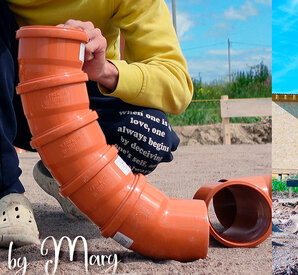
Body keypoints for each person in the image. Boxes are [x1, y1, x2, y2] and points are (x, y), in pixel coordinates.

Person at [1, 0, 193, 246]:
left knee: (150, 135)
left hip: (80, 89)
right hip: (9, 97)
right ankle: (5, 193)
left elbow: (177, 83)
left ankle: (65, 172)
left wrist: (105, 70)